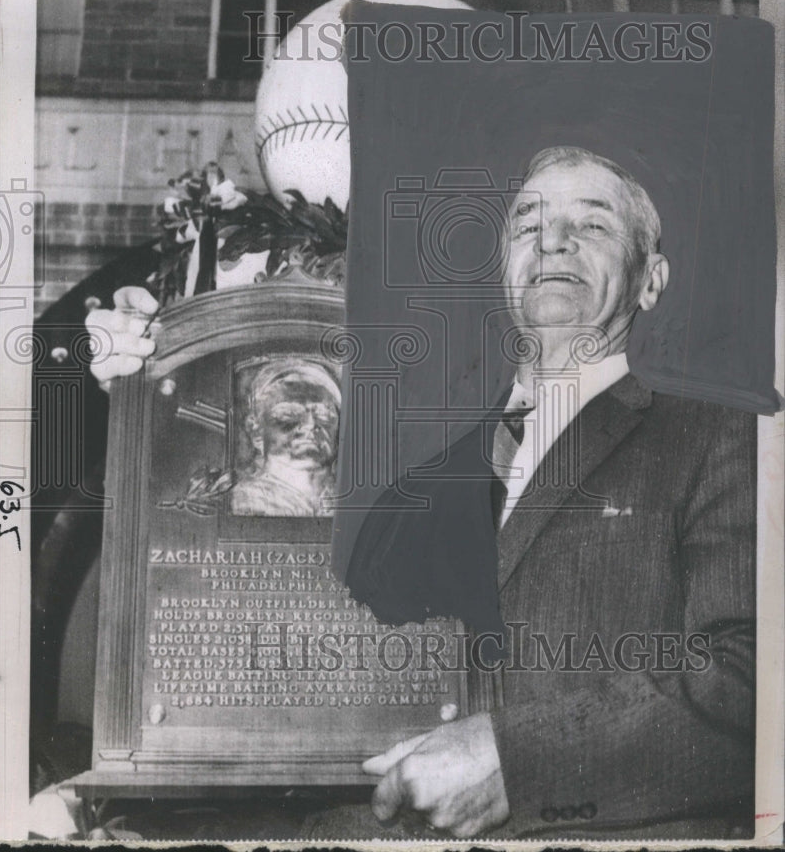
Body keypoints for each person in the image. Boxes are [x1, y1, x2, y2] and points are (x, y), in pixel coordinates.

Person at [340, 146, 756, 840]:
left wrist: (523, 761)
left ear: (651, 281)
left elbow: (753, 682)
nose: (551, 239)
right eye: (527, 223)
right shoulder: (418, 479)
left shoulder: (722, 438)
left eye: (592, 225)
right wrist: (132, 395)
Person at [230, 359, 340, 517]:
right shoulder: (243, 501)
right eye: (289, 413)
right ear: (256, 429)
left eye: (323, 415)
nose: (310, 424)